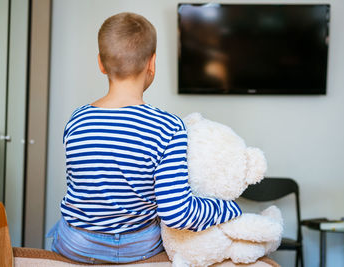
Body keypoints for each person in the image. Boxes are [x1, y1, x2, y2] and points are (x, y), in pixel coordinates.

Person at [47, 12, 242, 264]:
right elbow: (178, 214)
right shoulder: (168, 127)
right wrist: (228, 208)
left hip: (77, 245)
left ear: (101, 63)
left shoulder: (77, 120)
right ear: (152, 63)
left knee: (62, 226)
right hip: (137, 250)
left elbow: (87, 189)